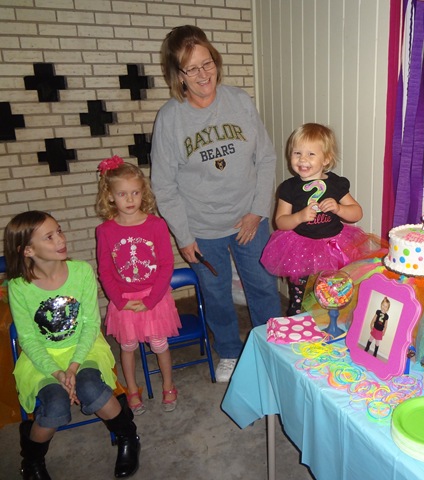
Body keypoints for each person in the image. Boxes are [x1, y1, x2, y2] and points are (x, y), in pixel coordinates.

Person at [150, 25, 282, 382]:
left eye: (207, 63)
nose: (203, 74)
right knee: (216, 293)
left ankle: (275, 351)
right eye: (192, 68)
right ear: (178, 75)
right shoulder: (170, 119)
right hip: (202, 228)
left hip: (249, 219)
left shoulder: (239, 101)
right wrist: (184, 236)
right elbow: (164, 185)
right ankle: (229, 351)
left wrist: (257, 211)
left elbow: (266, 158)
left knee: (263, 287)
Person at [4, 211, 140, 479]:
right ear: (28, 250)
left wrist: (74, 367)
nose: (61, 240)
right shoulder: (19, 287)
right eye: (49, 237)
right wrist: (57, 373)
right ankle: (32, 461)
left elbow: (90, 324)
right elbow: (28, 339)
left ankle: (128, 436)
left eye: (59, 231)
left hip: (84, 348)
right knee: (55, 404)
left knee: (89, 387)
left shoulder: (81, 271)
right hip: (42, 357)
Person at [260, 123, 380, 315]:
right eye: (297, 153)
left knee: (332, 295)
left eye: (311, 154)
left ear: (326, 159)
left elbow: (357, 213)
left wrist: (339, 208)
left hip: (333, 249)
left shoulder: (335, 184)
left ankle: (329, 322)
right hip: (300, 251)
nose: (302, 159)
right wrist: (299, 217)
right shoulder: (289, 187)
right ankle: (300, 322)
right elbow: (280, 221)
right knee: (301, 297)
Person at [95, 156, 181, 414]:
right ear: (110, 196)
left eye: (135, 192)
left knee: (159, 344)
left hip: (154, 298)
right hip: (124, 300)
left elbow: (166, 265)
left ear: (143, 193)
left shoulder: (156, 225)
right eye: (122, 194)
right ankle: (132, 389)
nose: (130, 199)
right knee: (127, 346)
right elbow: (104, 271)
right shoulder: (105, 231)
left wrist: (151, 300)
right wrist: (120, 301)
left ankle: (168, 385)